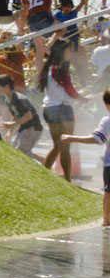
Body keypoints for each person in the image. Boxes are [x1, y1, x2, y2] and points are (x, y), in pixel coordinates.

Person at [51, 86, 110, 226]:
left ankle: (106, 220)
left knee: (108, 192)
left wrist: (72, 138)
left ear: (107, 104)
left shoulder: (107, 120)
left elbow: (97, 139)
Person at [37, 40, 85, 181]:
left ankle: (43, 176)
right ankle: (68, 180)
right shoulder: (59, 68)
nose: (72, 53)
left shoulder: (49, 68)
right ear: (61, 51)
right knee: (65, 146)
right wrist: (84, 97)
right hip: (63, 109)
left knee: (57, 146)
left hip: (49, 108)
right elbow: (70, 90)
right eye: (69, 50)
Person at [0, 74, 42, 155]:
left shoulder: (18, 99)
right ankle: (43, 162)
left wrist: (13, 124)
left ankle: (37, 165)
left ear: (7, 87)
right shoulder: (8, 100)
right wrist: (10, 132)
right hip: (24, 128)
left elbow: (29, 116)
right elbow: (15, 115)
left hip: (32, 128)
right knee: (16, 151)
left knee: (21, 152)